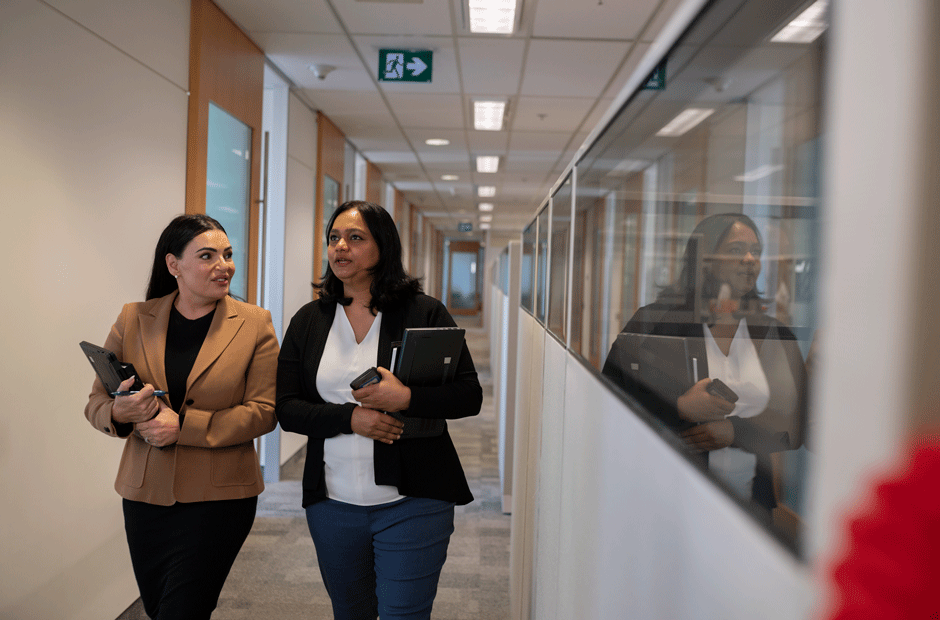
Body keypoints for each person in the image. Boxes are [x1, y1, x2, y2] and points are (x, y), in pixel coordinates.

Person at [276, 200, 483, 620]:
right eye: (334, 238)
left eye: (355, 238)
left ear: (382, 247)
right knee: (351, 613)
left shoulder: (423, 312)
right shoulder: (309, 321)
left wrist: (405, 398)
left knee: (403, 614)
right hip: (332, 505)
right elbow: (287, 408)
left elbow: (468, 395)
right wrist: (349, 418)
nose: (340, 248)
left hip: (414, 501)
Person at [84, 214, 279, 619]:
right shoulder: (133, 318)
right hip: (145, 497)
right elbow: (96, 404)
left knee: (183, 610)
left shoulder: (255, 324)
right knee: (160, 609)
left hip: (220, 498)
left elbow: (264, 412)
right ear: (173, 265)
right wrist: (121, 410)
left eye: (227, 255)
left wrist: (184, 427)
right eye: (207, 256)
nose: (223, 266)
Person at [603, 213, 807, 512]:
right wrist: (679, 408)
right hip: (667, 502)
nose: (750, 259)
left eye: (756, 251)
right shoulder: (655, 322)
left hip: (751, 511)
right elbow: (608, 403)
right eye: (737, 250)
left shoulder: (772, 333)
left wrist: (736, 433)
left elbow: (794, 426)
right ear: (705, 259)